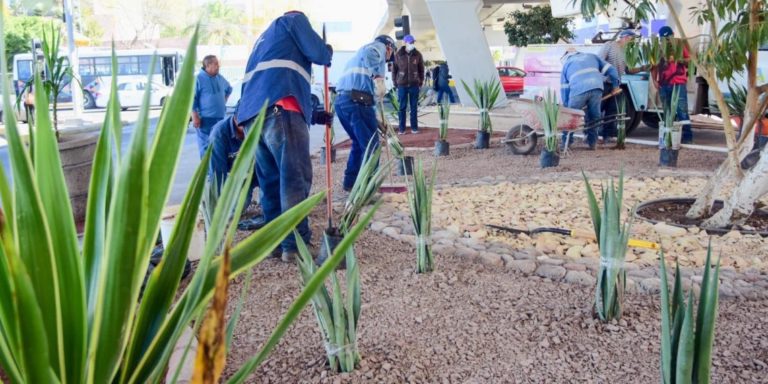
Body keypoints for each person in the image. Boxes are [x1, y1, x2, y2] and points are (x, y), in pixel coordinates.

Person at [236, 10, 333, 262]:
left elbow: (275, 77)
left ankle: (273, 244)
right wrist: (327, 49)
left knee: (270, 183)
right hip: (282, 109)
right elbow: (319, 54)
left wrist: (316, 115)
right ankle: (295, 245)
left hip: (252, 118)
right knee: (294, 179)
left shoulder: (264, 40)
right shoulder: (293, 20)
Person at [335, 35, 396, 192]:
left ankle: (350, 182)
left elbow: (365, 90)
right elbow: (371, 53)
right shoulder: (377, 47)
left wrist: (377, 118)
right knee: (372, 147)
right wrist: (378, 78)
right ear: (389, 47)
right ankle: (367, 188)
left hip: (344, 102)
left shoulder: (356, 58)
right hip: (358, 102)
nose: (388, 58)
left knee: (359, 143)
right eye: (391, 53)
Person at [207, 106, 264, 230]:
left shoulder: (260, 127)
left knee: (272, 206)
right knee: (233, 210)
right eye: (247, 124)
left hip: (260, 173)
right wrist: (219, 205)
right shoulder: (219, 134)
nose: (251, 128)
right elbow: (217, 174)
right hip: (237, 179)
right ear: (236, 119)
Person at [560, 49, 620, 150]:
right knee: (594, 117)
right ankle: (592, 144)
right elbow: (612, 70)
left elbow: (565, 89)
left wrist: (567, 107)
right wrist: (615, 86)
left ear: (566, 56)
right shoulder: (592, 56)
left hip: (578, 90)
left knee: (571, 117)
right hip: (597, 87)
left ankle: (566, 143)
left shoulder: (567, 64)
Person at [597, 29, 639, 142]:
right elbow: (599, 61)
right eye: (632, 39)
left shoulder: (625, 52)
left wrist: (645, 68)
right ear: (625, 37)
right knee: (598, 108)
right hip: (604, 83)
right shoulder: (609, 45)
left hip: (615, 85)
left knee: (612, 111)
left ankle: (607, 136)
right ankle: (592, 135)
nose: (633, 42)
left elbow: (628, 70)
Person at [654, 26, 693, 144]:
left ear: (673, 35)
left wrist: (676, 59)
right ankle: (667, 137)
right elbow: (653, 65)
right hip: (664, 83)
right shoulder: (658, 48)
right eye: (663, 39)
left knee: (682, 111)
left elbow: (690, 60)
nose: (665, 41)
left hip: (678, 83)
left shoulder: (680, 45)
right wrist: (654, 80)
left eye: (668, 38)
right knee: (667, 111)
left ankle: (687, 137)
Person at [192, 55, 232, 158]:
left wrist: (224, 100)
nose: (218, 66)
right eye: (216, 64)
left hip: (219, 118)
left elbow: (229, 89)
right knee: (206, 147)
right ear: (208, 65)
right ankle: (206, 172)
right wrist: (195, 116)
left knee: (217, 146)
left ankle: (214, 172)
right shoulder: (198, 79)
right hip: (205, 119)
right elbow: (192, 99)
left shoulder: (219, 77)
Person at [392, 34, 425, 134]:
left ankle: (414, 128)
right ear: (405, 43)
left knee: (414, 107)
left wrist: (421, 81)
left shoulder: (418, 54)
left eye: (413, 42)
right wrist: (395, 82)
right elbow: (394, 70)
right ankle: (402, 129)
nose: (412, 44)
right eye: (410, 42)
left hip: (414, 85)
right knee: (402, 107)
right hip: (402, 85)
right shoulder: (398, 54)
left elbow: (421, 69)